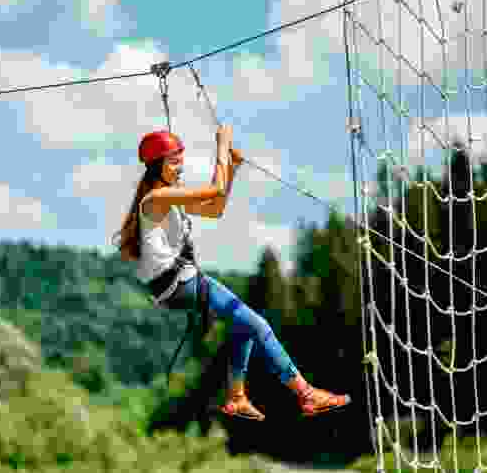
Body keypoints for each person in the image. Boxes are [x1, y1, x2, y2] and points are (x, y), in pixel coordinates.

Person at [111, 126, 351, 420]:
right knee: (259, 325)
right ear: (156, 165)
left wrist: (232, 168)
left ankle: (237, 395)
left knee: (244, 325)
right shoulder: (157, 198)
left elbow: (215, 208)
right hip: (179, 283)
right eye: (173, 161)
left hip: (177, 285)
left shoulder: (165, 200)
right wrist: (222, 147)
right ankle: (306, 394)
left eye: (180, 160)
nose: (180, 167)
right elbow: (215, 190)